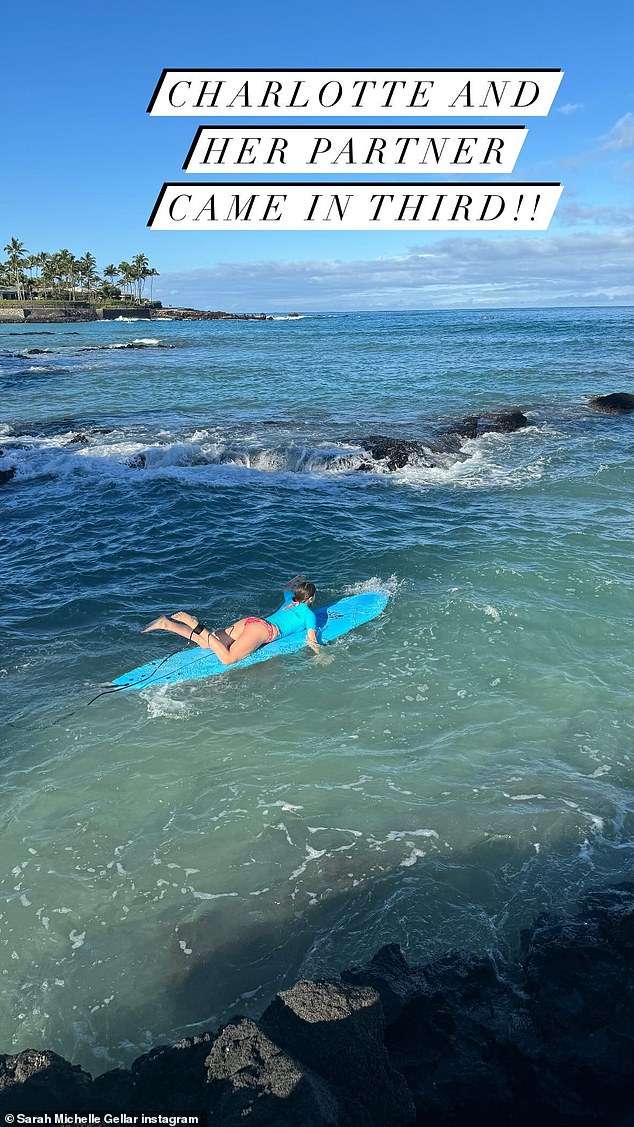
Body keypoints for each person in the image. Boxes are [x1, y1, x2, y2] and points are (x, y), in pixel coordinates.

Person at [141, 578, 320, 666]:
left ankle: (166, 623)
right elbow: (311, 638)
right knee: (228, 658)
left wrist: (297, 579)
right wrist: (320, 656)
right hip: (265, 631)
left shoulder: (290, 599)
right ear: (311, 598)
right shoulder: (309, 615)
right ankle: (196, 625)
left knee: (206, 643)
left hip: (252, 621)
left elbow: (286, 588)